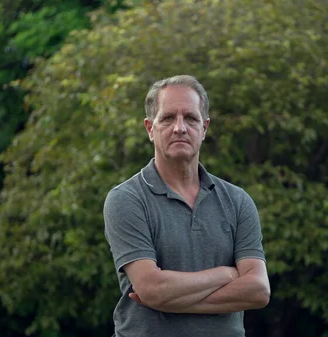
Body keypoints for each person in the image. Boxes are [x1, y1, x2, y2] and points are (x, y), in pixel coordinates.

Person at [103, 75, 270, 337]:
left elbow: (259, 291)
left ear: (204, 128)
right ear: (150, 128)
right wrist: (226, 274)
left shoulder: (237, 201)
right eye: (168, 118)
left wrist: (169, 301)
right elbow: (152, 289)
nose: (179, 127)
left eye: (190, 118)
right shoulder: (127, 199)